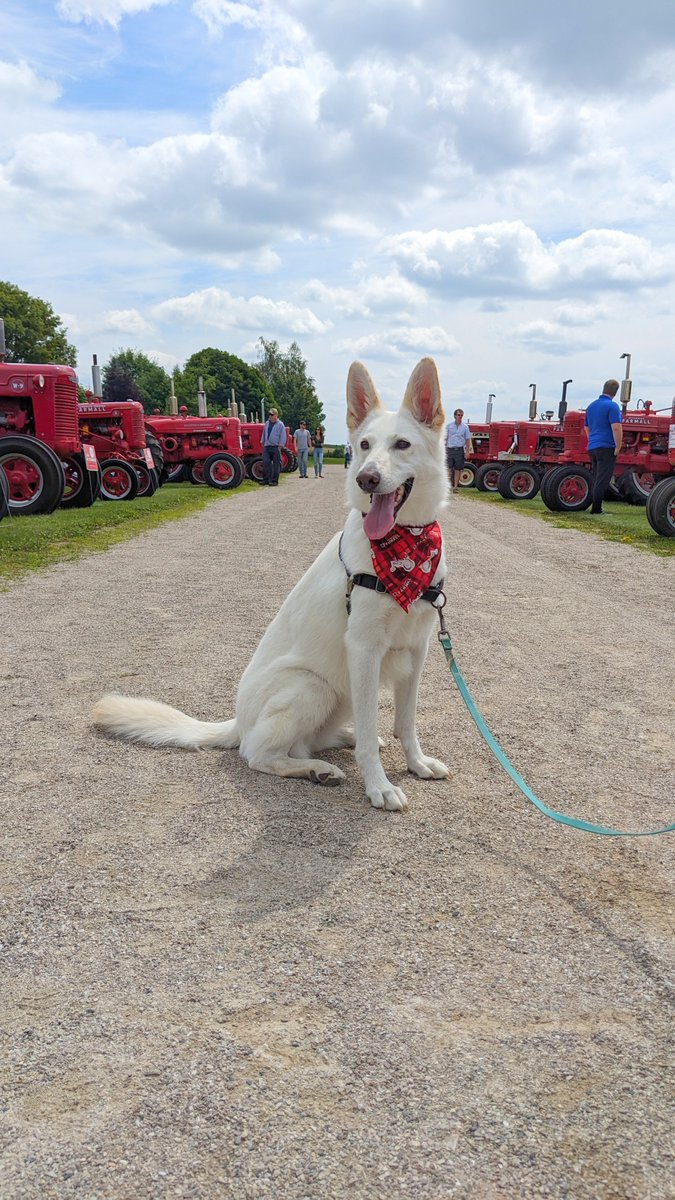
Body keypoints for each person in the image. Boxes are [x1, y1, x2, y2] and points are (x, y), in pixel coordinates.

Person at [584, 380, 623, 515]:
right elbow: (616, 428)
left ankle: (595, 507)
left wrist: (593, 440)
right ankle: (596, 509)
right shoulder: (612, 406)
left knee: (597, 478)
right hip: (606, 446)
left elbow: (586, 427)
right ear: (616, 392)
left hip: (593, 446)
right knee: (603, 479)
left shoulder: (591, 406)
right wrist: (618, 446)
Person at [445, 408, 472, 493]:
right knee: (448, 468)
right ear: (454, 416)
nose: (460, 417)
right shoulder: (449, 426)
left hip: (459, 450)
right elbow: (445, 438)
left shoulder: (465, 427)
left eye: (461, 415)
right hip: (450, 449)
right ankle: (448, 486)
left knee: (458, 469)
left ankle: (455, 487)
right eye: (458, 415)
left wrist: (467, 451)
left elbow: (467, 439)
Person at [262, 408, 286, 486]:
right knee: (266, 462)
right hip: (267, 446)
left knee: (276, 464)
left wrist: (280, 445)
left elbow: (283, 436)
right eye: (269, 414)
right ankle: (266, 479)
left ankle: (274, 481)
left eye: (272, 415)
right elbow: (264, 432)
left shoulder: (280, 424)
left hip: (275, 447)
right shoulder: (267, 423)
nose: (270, 416)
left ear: (276, 415)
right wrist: (263, 441)